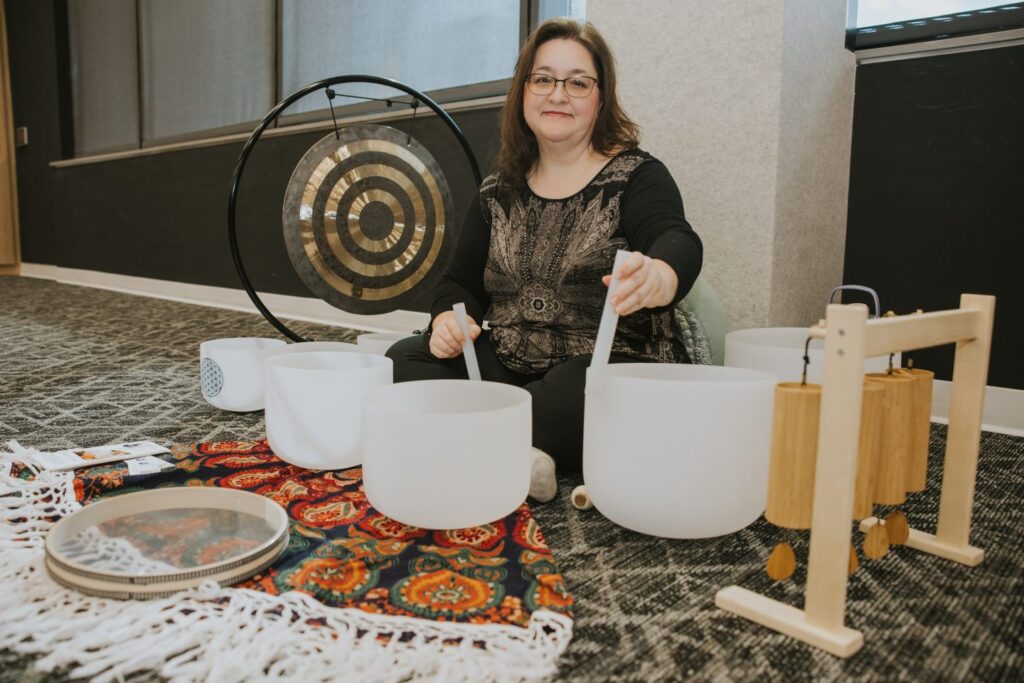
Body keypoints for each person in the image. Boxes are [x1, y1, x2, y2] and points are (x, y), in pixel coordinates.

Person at [386, 18, 702, 502]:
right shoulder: (497, 190)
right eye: (544, 79)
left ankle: (477, 437)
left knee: (579, 394)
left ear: (601, 98)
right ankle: (521, 448)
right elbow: (459, 284)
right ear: (523, 92)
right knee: (402, 359)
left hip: (599, 370)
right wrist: (449, 322)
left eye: (578, 82)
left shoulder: (638, 175)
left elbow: (675, 236)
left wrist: (661, 273)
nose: (559, 94)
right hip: (511, 363)